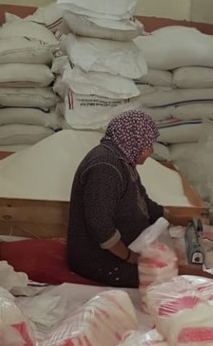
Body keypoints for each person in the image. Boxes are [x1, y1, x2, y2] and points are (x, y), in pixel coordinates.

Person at [67, 110, 164, 287]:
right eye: (148, 144)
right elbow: (100, 225)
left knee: (171, 261)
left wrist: (175, 218)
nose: (151, 151)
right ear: (133, 140)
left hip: (123, 248)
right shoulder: (105, 168)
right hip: (99, 259)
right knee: (168, 275)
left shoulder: (123, 160)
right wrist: (130, 257)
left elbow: (142, 200)